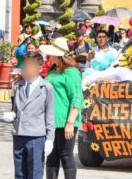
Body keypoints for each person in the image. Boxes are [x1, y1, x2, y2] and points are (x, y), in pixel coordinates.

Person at [40, 38, 83, 179]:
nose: (48, 55)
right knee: (51, 155)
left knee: (66, 155)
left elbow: (76, 98)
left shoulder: (71, 72)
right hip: (50, 120)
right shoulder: (53, 70)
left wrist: (70, 123)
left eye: (51, 52)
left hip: (65, 119)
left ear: (58, 55)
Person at [7, 52, 55, 179]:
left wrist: (50, 139)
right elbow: (16, 109)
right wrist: (12, 115)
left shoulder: (46, 88)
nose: (26, 69)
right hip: (19, 134)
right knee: (19, 174)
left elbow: (50, 116)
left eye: (30, 66)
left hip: (36, 136)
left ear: (39, 68)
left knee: (35, 173)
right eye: (25, 66)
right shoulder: (18, 86)